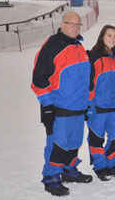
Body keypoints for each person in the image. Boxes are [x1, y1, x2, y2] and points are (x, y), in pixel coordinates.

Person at [31, 12, 92, 196]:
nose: (75, 27)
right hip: (59, 107)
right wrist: (47, 105)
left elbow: (85, 79)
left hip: (78, 108)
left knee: (74, 142)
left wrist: (86, 104)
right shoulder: (52, 46)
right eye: (71, 23)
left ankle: (68, 170)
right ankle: (51, 177)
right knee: (58, 143)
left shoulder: (79, 47)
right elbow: (39, 79)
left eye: (78, 24)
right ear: (62, 24)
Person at [86, 25, 115, 181]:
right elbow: (88, 82)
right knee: (96, 138)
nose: (112, 39)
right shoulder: (93, 56)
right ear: (102, 37)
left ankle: (110, 163)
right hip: (98, 106)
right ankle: (100, 167)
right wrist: (90, 104)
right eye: (109, 35)